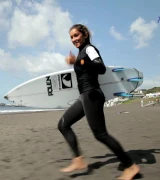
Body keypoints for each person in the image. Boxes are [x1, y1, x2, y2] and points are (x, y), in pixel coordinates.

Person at [57, 24, 140, 180]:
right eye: (71, 37)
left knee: (101, 135)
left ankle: (130, 166)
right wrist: (76, 61)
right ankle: (78, 160)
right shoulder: (81, 52)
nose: (74, 39)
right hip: (84, 96)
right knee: (63, 124)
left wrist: (79, 62)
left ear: (85, 34)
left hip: (92, 95)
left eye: (76, 35)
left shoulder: (89, 49)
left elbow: (100, 68)